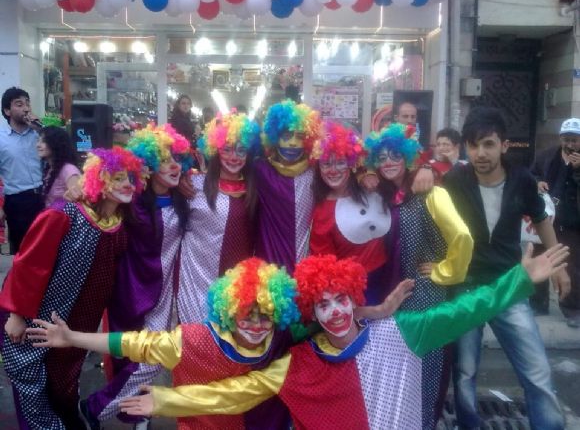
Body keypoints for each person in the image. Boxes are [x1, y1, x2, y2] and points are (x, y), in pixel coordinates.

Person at [112, 247, 569, 430]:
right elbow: (234, 393)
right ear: (311, 313)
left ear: (354, 298)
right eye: (322, 304)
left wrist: (518, 280)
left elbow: (467, 310)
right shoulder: (300, 363)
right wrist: (165, 401)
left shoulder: (403, 332)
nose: (334, 311)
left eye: (340, 299)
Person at [26, 257, 302, 430]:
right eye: (246, 315)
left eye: (266, 316)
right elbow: (135, 343)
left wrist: (166, 400)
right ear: (229, 311)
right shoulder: (193, 341)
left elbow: (236, 395)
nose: (256, 326)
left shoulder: (281, 348)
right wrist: (72, 338)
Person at [443, 106, 570, 430]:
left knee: (537, 371)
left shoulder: (522, 180)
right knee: (465, 371)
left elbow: (541, 219)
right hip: (467, 288)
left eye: (488, 144)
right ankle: (469, 425)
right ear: (466, 147)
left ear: (504, 145)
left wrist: (557, 266)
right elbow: (433, 218)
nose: (480, 153)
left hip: (509, 285)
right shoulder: (455, 180)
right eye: (473, 145)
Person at [0, 146, 145, 430]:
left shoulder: (119, 225)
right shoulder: (63, 215)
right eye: (117, 178)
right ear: (98, 180)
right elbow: (28, 265)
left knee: (64, 378)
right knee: (33, 383)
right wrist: (16, 314)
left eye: (130, 178)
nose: (127, 184)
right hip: (37, 315)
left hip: (80, 319)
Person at [80, 124, 193, 428]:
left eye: (177, 159)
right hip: (132, 292)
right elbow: (100, 202)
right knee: (134, 358)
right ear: (149, 166)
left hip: (166, 294)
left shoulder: (183, 199)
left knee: (152, 357)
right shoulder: (133, 203)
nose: (174, 166)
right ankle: (113, 410)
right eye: (165, 160)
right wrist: (77, 185)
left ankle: (106, 409)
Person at [364, 122, 473, 429]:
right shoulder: (386, 195)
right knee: (402, 369)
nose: (388, 161)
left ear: (407, 156)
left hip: (426, 294)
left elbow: (462, 236)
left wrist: (444, 272)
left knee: (428, 367)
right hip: (394, 296)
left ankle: (424, 422)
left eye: (395, 154)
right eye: (381, 157)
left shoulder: (432, 193)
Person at [178, 112, 262, 323]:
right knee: (196, 335)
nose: (234, 157)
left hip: (234, 283)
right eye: (227, 149)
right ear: (215, 150)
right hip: (195, 280)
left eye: (241, 150)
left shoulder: (255, 188)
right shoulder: (194, 184)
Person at [309, 120, 391, 305]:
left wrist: (427, 169)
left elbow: (402, 170)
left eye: (340, 162)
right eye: (326, 164)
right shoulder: (322, 211)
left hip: (391, 278)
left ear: (351, 164)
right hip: (356, 293)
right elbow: (326, 266)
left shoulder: (371, 186)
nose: (333, 170)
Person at [254, 99, 324, 273]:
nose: (292, 143)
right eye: (286, 135)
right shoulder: (261, 170)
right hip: (271, 268)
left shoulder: (316, 172)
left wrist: (366, 173)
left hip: (307, 267)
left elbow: (347, 172)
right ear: (274, 138)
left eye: (299, 137)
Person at [531, 118, 580, 327]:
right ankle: (538, 304)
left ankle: (572, 309)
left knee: (571, 264)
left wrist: (578, 170)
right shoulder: (547, 155)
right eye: (566, 139)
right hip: (547, 217)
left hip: (571, 219)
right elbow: (532, 173)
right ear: (560, 139)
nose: (570, 144)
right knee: (540, 257)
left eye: (575, 140)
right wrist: (537, 182)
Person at [0, 87, 44, 254]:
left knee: (46, 247)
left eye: (27, 104)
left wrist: (40, 128)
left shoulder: (39, 134)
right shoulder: (1, 139)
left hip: (43, 195)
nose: (26, 108)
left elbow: (60, 149)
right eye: (19, 104)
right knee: (22, 250)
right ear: (7, 111)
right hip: (17, 201)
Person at [37, 126, 81, 207]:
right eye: (38, 141)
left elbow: (79, 203)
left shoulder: (69, 170)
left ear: (55, 144)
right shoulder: (49, 168)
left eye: (43, 141)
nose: (38, 145)